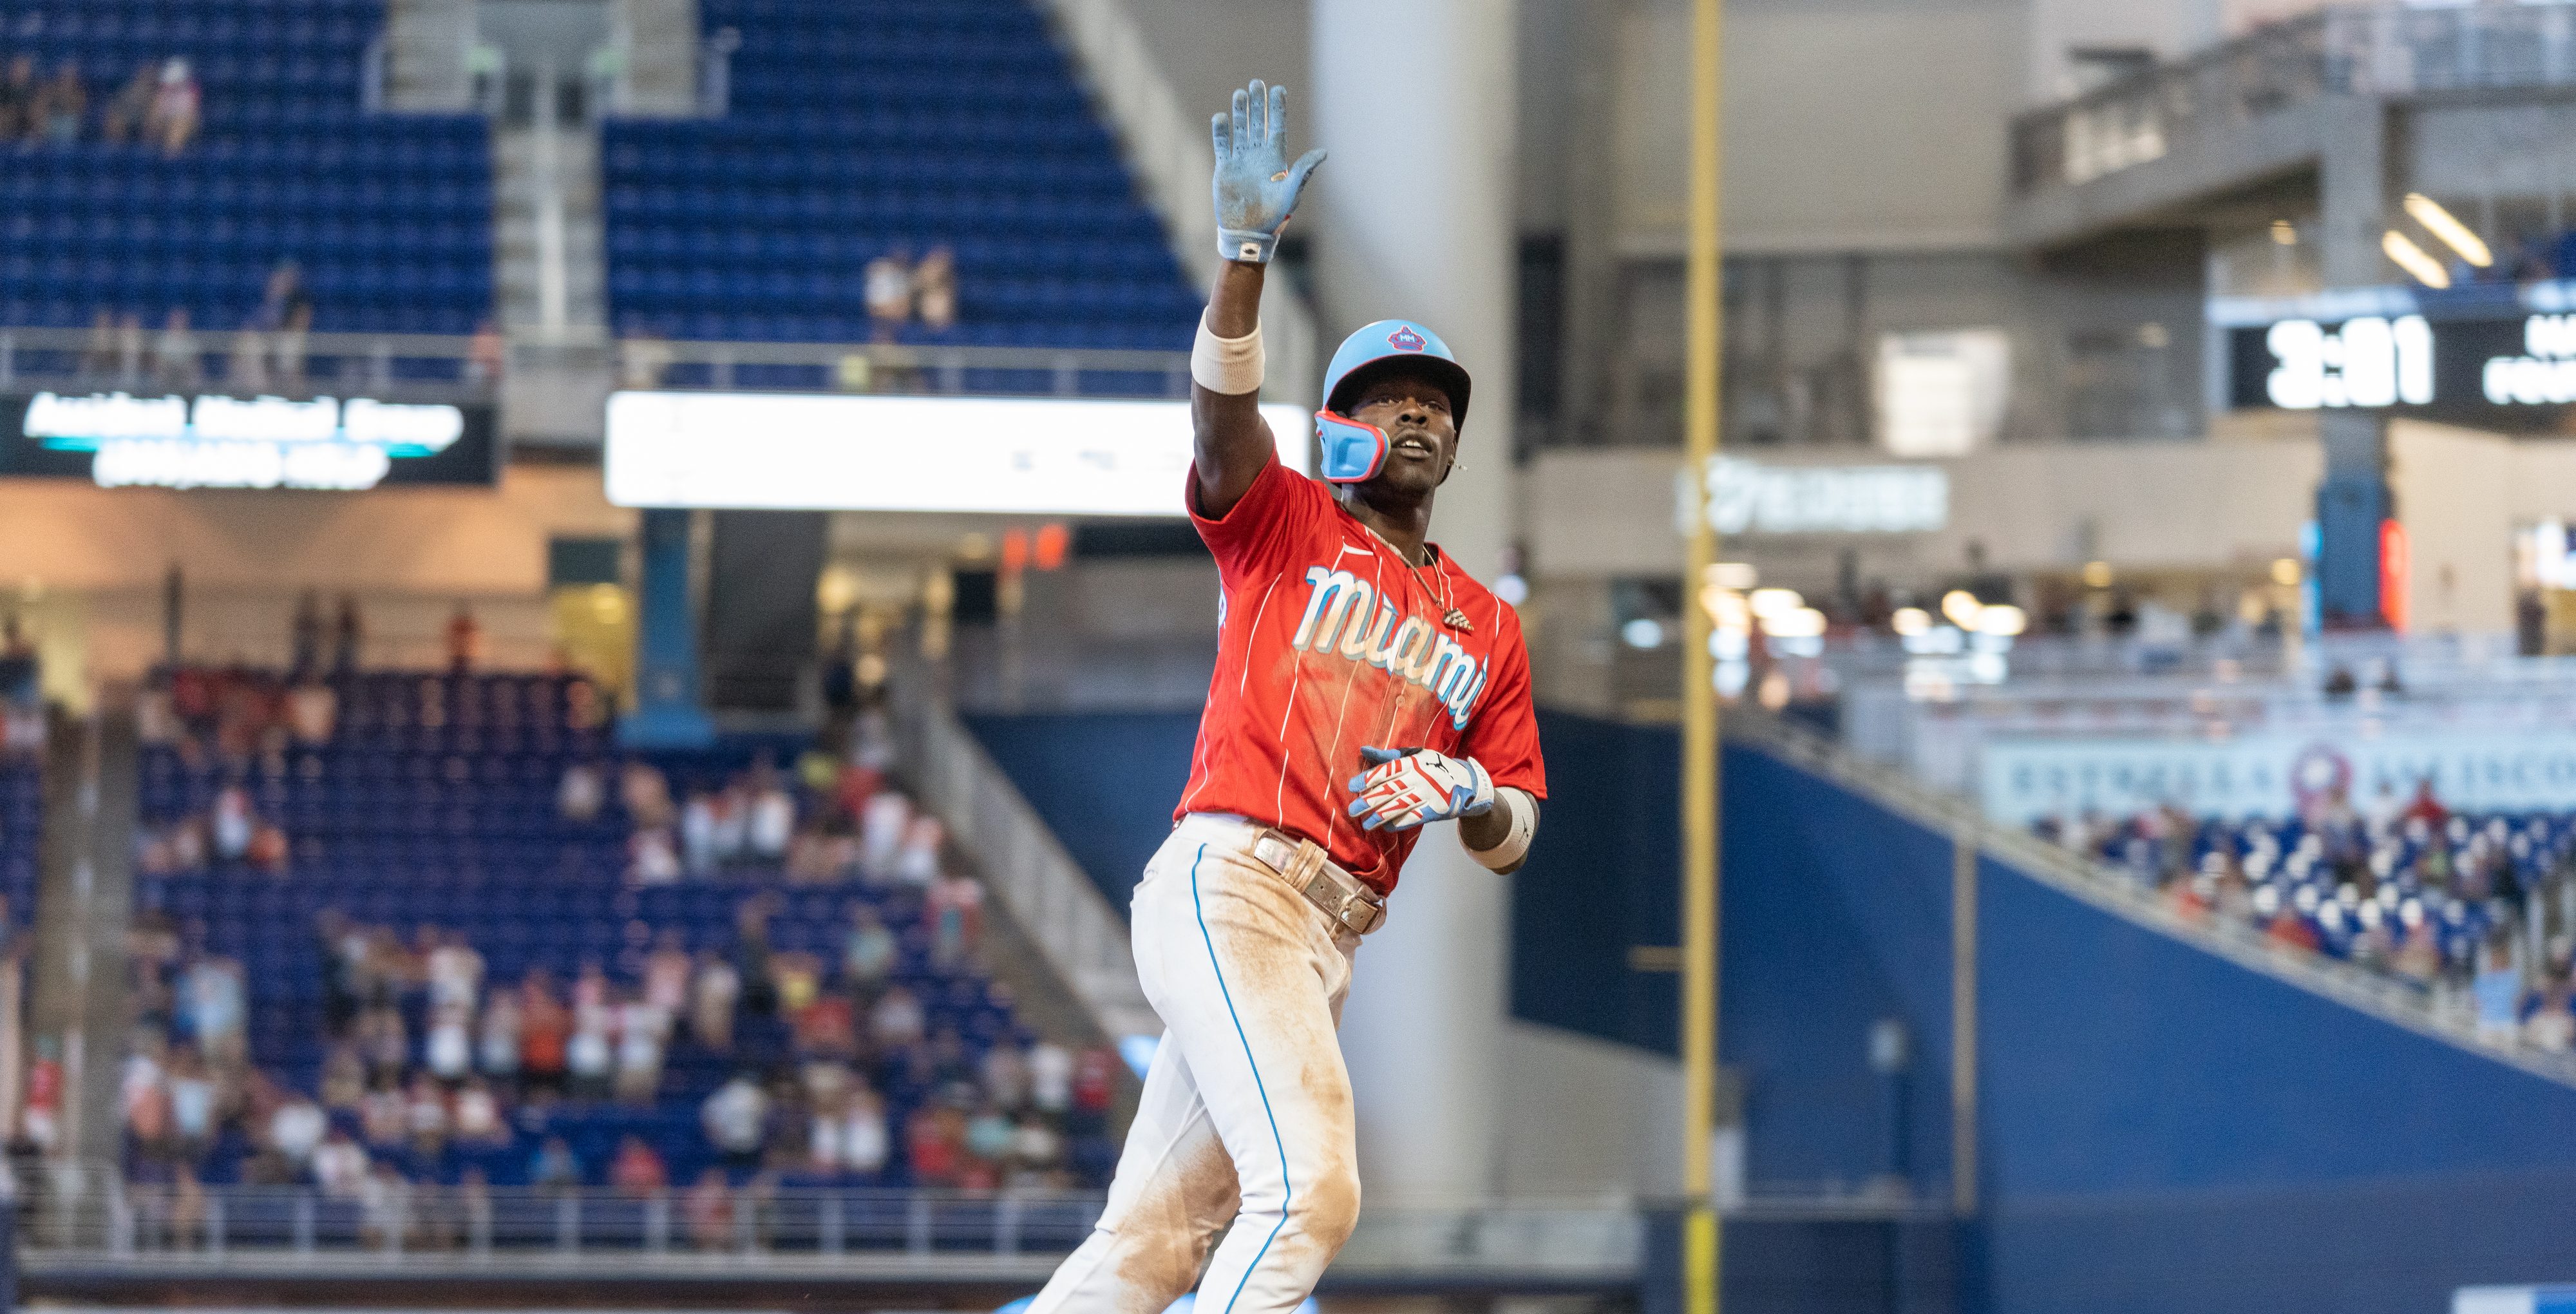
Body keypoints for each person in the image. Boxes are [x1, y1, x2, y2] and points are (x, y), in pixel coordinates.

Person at [1018, 81, 1544, 1314]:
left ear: (1455, 447)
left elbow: (1516, 828)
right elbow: (1218, 424)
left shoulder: (1490, 622)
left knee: (1153, 1243)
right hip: (1237, 880)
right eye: (1384, 395)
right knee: (1313, 1193)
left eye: (1435, 401)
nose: (1414, 408)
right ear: (1341, 428)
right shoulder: (1289, 523)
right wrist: (1246, 259)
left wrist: (1470, 791)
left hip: (1331, 934)